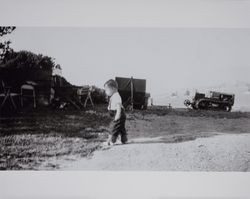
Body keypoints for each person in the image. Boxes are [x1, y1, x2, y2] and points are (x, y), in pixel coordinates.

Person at [104, 79, 128, 145]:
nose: (106, 92)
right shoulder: (114, 95)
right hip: (118, 114)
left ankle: (112, 140)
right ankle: (124, 139)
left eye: (106, 90)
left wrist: (118, 114)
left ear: (113, 88)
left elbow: (118, 106)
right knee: (121, 127)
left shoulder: (117, 96)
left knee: (114, 127)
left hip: (118, 114)